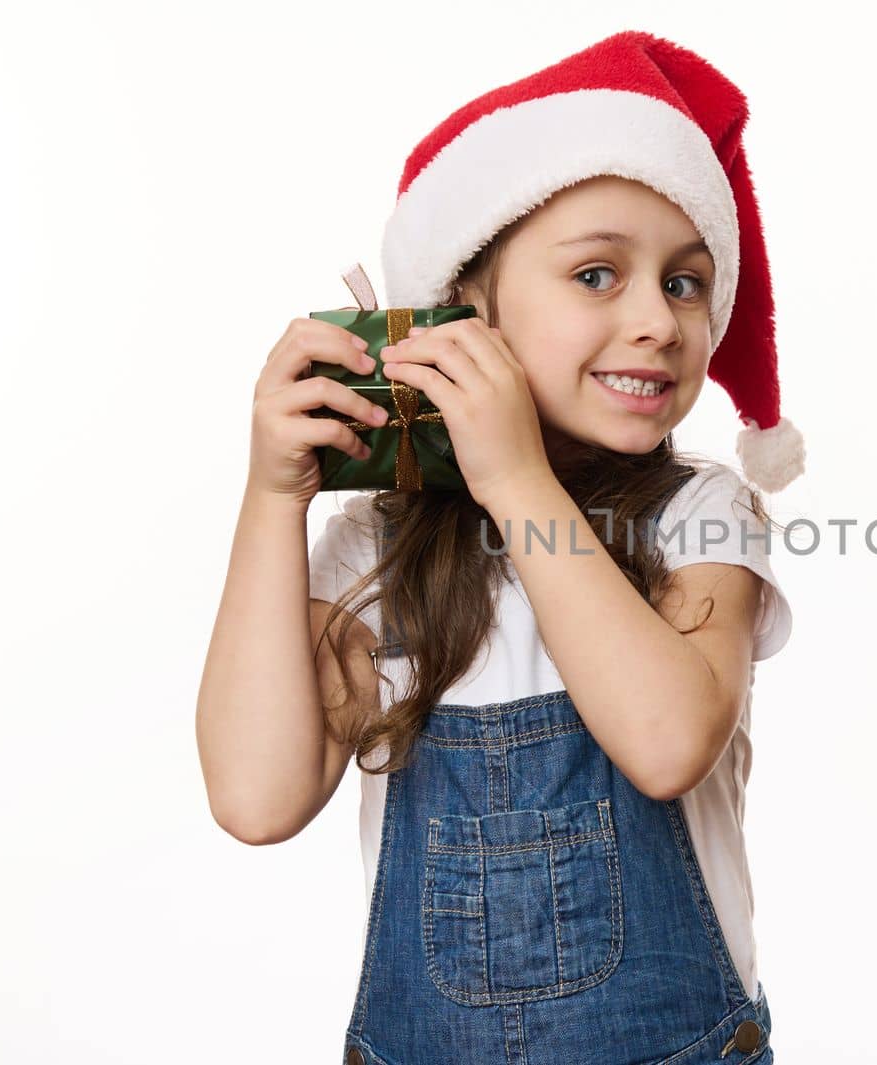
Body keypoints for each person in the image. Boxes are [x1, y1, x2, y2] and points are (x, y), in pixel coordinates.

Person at [196, 30, 806, 1065]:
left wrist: (515, 476)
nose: (658, 319)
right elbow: (257, 799)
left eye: (687, 282)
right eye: (599, 275)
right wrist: (271, 500)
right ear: (463, 308)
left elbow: (664, 746)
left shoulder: (697, 511)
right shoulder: (379, 548)